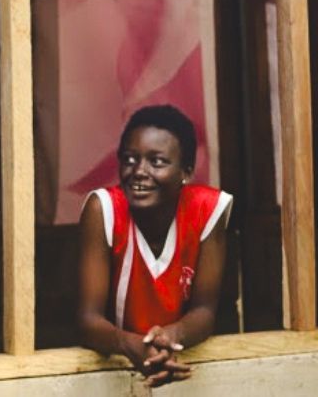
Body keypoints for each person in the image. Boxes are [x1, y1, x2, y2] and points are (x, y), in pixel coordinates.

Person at [77, 104, 232, 388]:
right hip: (113, 370)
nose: (139, 171)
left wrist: (172, 337)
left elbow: (205, 310)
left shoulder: (208, 210)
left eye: (157, 162)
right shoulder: (104, 210)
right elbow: (89, 320)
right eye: (130, 159)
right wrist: (132, 345)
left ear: (185, 172)